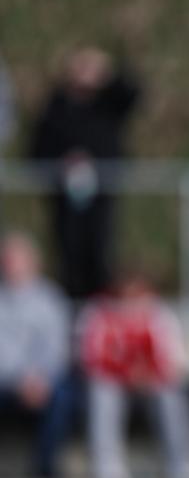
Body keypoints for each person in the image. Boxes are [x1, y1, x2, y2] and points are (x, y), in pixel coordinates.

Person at [30, 47, 141, 299]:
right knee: (68, 254)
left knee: (100, 252)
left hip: (101, 194)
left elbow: (133, 94)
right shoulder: (57, 105)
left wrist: (108, 74)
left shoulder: (107, 103)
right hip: (65, 197)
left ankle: (101, 304)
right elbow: (39, 147)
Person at [77, 273, 189, 478]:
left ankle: (181, 467)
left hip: (151, 384)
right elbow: (91, 359)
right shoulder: (98, 313)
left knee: (172, 395)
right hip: (114, 383)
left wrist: (148, 375)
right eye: (125, 296)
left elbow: (172, 361)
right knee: (102, 393)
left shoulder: (160, 315)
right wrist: (126, 374)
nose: (130, 302)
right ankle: (108, 468)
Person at [0, 230, 70, 478]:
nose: (10, 265)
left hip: (42, 381)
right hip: (6, 380)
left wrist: (39, 379)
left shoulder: (51, 299)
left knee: (62, 396)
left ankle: (45, 468)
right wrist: (18, 379)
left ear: (33, 262)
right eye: (6, 259)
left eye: (15, 259)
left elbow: (56, 350)